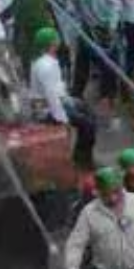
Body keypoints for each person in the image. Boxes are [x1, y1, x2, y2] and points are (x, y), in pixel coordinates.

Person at [28, 26, 96, 168]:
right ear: (52, 44)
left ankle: (82, 155)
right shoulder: (46, 66)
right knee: (87, 125)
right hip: (47, 108)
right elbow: (51, 96)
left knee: (88, 112)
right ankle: (82, 160)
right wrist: (62, 118)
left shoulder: (45, 61)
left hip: (60, 100)